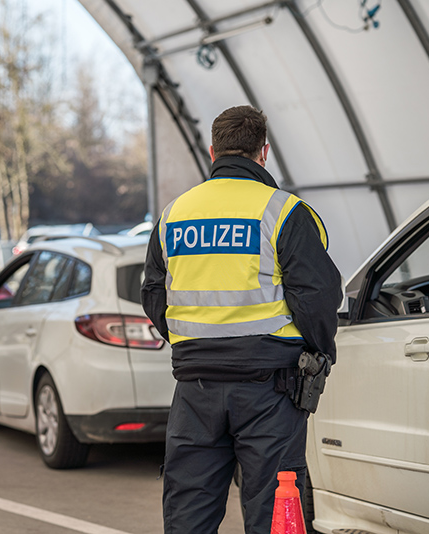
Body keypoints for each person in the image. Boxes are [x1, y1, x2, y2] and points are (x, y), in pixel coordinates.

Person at [141, 105, 342, 534]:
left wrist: (192, 341)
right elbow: (317, 296)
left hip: (194, 388)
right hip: (271, 388)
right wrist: (320, 350)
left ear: (212, 151)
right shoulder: (285, 212)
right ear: (263, 152)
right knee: (274, 512)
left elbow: (154, 293)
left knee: (189, 512)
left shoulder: (174, 214)